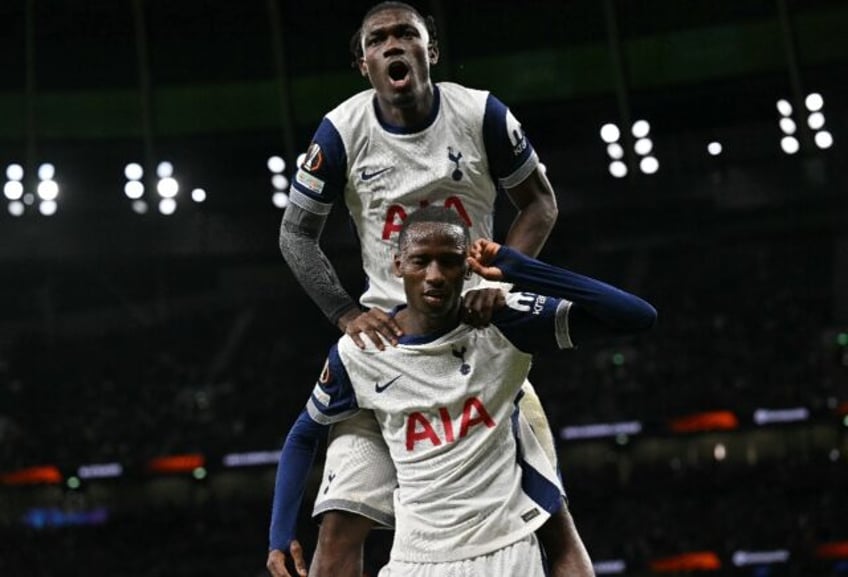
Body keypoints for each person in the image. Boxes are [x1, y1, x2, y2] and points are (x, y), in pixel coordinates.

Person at [269, 2, 581, 576]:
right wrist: (343, 313)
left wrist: (498, 279)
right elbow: (295, 234)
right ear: (362, 62)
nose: (393, 45)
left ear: (429, 51)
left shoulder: (480, 113)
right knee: (337, 529)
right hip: (387, 349)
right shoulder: (341, 132)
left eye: (406, 34)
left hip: (477, 336)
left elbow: (540, 203)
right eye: (378, 39)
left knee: (553, 521)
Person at [269, 206, 657, 577]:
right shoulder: (361, 351)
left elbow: (637, 315)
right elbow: (304, 434)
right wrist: (280, 535)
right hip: (414, 558)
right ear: (398, 265)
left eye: (449, 261)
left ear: (466, 268)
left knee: (560, 526)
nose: (435, 275)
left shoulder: (503, 323)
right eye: (421, 260)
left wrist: (520, 267)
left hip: (505, 551)